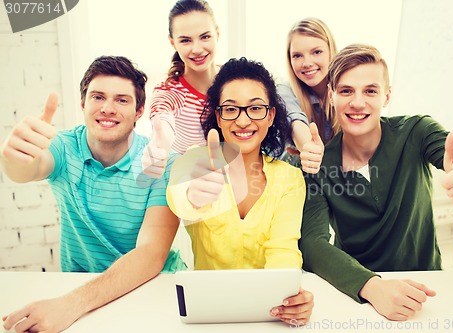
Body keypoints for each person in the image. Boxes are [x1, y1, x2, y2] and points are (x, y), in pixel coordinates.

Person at [300, 44, 453, 321]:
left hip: (426, 288)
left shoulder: (416, 132)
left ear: (387, 96)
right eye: (346, 91)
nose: (357, 102)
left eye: (370, 90)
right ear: (331, 96)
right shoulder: (316, 165)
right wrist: (372, 287)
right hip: (359, 294)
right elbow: (312, 244)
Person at [0, 56, 185, 333]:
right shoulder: (63, 147)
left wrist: (71, 305)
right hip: (80, 289)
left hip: (154, 285)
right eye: (98, 97)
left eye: (122, 100)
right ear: (83, 104)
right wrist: (14, 159)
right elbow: (29, 169)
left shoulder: (161, 162)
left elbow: (151, 254)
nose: (108, 108)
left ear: (139, 111)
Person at [167, 57, 314, 325]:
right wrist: (193, 196)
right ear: (218, 117)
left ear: (270, 116)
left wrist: (290, 299)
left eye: (256, 108)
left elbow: (284, 249)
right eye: (231, 109)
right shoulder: (195, 162)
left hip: (268, 313)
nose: (244, 121)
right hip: (207, 311)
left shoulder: (290, 178)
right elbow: (178, 199)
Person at [141, 0, 220, 178]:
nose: (197, 49)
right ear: (173, 43)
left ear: (217, 34)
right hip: (192, 190)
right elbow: (162, 117)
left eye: (205, 37)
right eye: (185, 40)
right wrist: (159, 145)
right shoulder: (170, 92)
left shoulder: (234, 80)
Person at [277, 18, 338, 174]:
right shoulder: (284, 90)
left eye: (316, 52)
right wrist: (309, 147)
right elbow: (295, 121)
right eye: (297, 56)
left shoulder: (347, 89)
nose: (307, 63)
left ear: (331, 50)